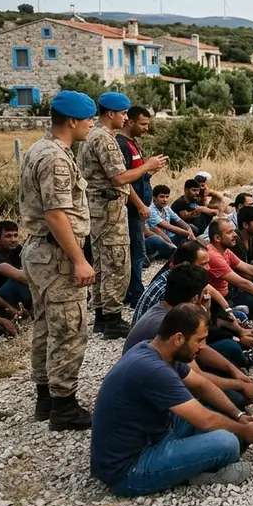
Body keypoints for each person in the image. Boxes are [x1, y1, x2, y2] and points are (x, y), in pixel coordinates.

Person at [90, 303, 253, 496]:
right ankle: (194, 477)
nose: (202, 347)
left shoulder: (156, 350)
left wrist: (239, 416)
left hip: (154, 436)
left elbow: (201, 385)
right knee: (228, 443)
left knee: (219, 414)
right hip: (128, 470)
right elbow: (205, 420)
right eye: (199, 340)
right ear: (178, 338)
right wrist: (244, 430)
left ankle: (190, 464)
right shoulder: (154, 370)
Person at [19, 89, 99, 430]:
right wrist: (80, 260)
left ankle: (46, 400)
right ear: (72, 121)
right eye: (88, 119)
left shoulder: (40, 148)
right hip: (57, 255)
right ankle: (64, 407)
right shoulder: (55, 158)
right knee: (69, 329)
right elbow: (56, 214)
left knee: (44, 325)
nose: (91, 125)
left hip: (39, 251)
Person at [80, 92, 167, 340]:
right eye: (122, 114)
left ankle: (101, 316)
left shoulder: (90, 136)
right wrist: (147, 167)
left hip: (98, 210)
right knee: (116, 264)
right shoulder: (105, 139)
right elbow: (118, 177)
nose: (125, 118)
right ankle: (113, 319)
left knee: (100, 262)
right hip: (109, 211)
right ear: (111, 114)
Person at [123, 264, 253, 400]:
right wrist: (239, 384)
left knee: (227, 361)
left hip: (163, 373)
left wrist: (236, 373)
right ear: (195, 298)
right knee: (235, 398)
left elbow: (202, 347)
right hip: (147, 391)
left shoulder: (172, 310)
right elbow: (196, 377)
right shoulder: (173, 325)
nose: (208, 295)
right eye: (205, 292)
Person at [117, 106, 155, 309]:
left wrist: (151, 171)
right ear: (130, 122)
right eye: (143, 124)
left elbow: (137, 175)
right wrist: (140, 204)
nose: (146, 128)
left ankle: (134, 290)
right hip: (132, 211)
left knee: (139, 251)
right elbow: (124, 180)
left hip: (138, 210)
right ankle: (135, 295)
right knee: (136, 251)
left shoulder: (133, 143)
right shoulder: (121, 145)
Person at [0, 221, 33, 316]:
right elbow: (20, 277)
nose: (13, 240)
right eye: (8, 236)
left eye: (15, 235)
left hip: (7, 296)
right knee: (17, 281)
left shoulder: (15, 249)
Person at [147, 185, 195, 252]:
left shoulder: (166, 208)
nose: (165, 200)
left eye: (167, 197)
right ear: (154, 198)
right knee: (158, 240)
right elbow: (169, 227)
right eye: (162, 197)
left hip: (170, 237)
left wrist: (189, 229)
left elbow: (178, 220)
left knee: (191, 228)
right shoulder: (151, 211)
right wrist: (188, 234)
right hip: (161, 239)